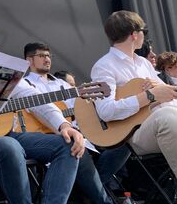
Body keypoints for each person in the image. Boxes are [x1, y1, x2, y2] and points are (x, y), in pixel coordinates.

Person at [0, 8, 84, 203]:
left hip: (4, 134)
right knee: (10, 146)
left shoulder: (0, 66)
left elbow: (34, 97)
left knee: (67, 144)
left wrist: (63, 125)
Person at [91, 10, 177, 203]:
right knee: (169, 116)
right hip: (140, 134)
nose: (144, 36)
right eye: (144, 31)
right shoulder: (104, 66)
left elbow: (172, 101)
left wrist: (163, 94)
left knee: (175, 115)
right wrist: (149, 96)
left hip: (174, 126)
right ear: (134, 34)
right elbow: (106, 111)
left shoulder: (143, 63)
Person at [23, 42, 130, 203]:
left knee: (124, 143)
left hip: (78, 135)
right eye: (42, 56)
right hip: (48, 139)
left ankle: (88, 191)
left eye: (48, 56)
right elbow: (37, 111)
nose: (47, 59)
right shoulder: (24, 84)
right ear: (29, 60)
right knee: (76, 150)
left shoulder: (63, 85)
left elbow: (79, 109)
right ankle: (99, 198)